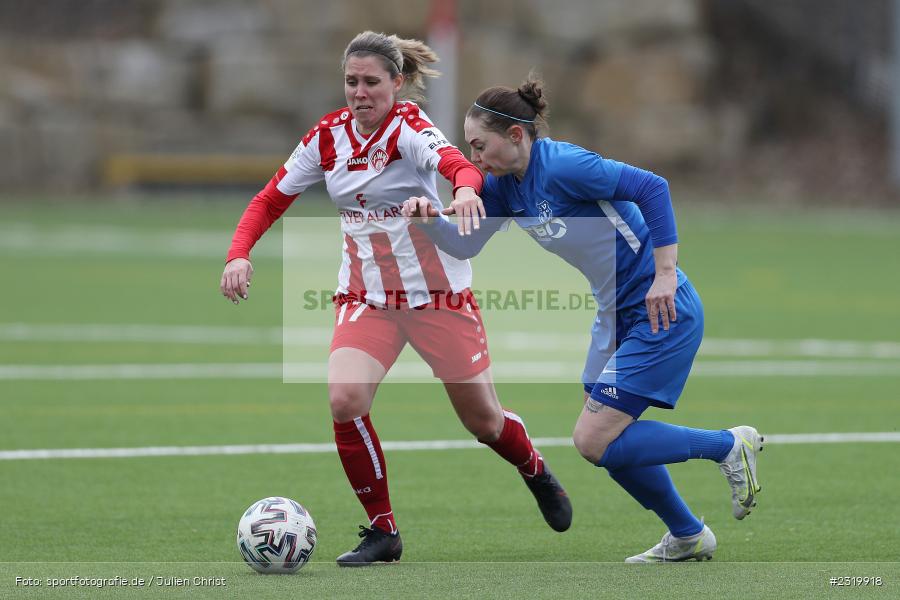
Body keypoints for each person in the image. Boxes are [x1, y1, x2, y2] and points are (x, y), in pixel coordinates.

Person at [220, 34, 571, 567]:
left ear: (396, 82)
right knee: (345, 400)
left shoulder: (409, 127)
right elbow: (270, 199)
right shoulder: (326, 137)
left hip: (438, 297)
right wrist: (238, 254)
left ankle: (534, 468)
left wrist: (467, 190)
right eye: (351, 82)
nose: (359, 92)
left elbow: (458, 165)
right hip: (367, 298)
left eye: (371, 82)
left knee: (484, 422)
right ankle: (383, 530)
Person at [402, 74, 764, 562]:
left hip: (660, 308)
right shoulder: (505, 187)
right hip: (614, 315)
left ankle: (726, 445)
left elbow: (653, 188)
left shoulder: (564, 165)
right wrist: (428, 223)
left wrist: (665, 273)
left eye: (479, 145)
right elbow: (466, 244)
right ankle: (688, 534)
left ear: (515, 135)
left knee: (593, 440)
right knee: (608, 439)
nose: (473, 157)